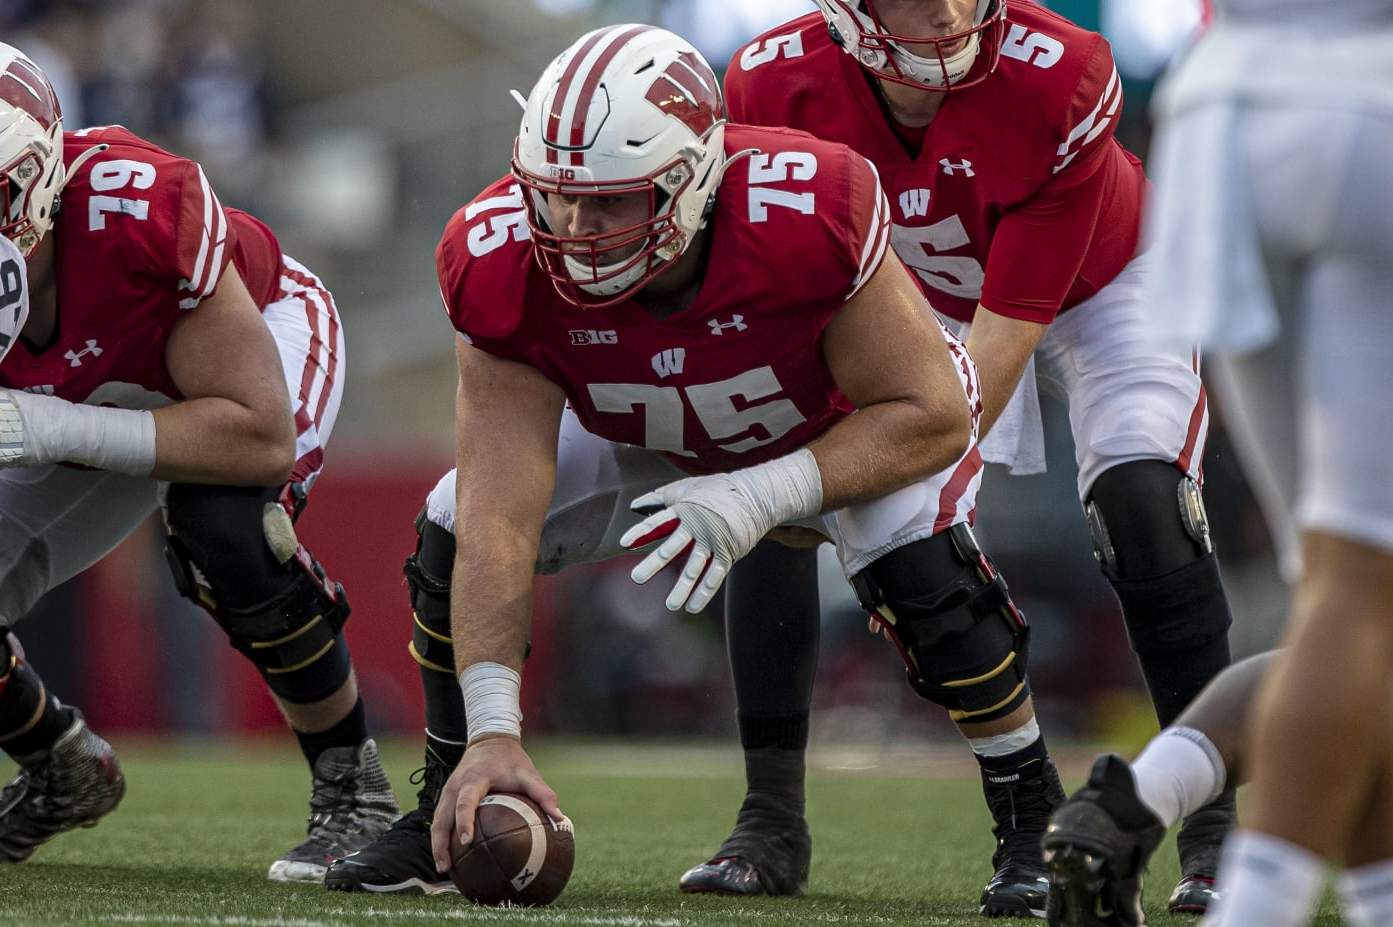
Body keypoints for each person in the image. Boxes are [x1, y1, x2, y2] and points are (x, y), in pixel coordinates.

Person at [327, 25, 1063, 915]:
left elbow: (934, 414)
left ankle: (1031, 817)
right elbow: (498, 519)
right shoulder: (497, 260)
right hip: (650, 428)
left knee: (922, 570)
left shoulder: (807, 209)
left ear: (693, 180)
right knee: (449, 523)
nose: (573, 231)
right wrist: (496, 730)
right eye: (555, 200)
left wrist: (760, 491)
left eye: (608, 205)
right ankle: (454, 792)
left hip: (837, 425)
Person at [702, 0, 1237, 913]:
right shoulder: (769, 83)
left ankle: (1214, 828)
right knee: (776, 495)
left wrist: (900, 509)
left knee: (1140, 498)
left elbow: (991, 355)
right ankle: (769, 819)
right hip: (911, 298)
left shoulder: (1058, 70)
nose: (946, 12)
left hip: (1105, 285)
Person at [0, 43, 397, 881]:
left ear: (36, 180)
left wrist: (52, 426)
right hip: (75, 389)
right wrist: (51, 422)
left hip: (242, 349)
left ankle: (353, 789)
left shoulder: (136, 209)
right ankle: (59, 765)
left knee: (227, 528)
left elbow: (256, 433)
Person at [1045, 2, 1393, 925]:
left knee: (1343, 596)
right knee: (1360, 592)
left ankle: (1151, 802)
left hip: (1222, 112)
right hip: (1366, 101)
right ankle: (1253, 905)